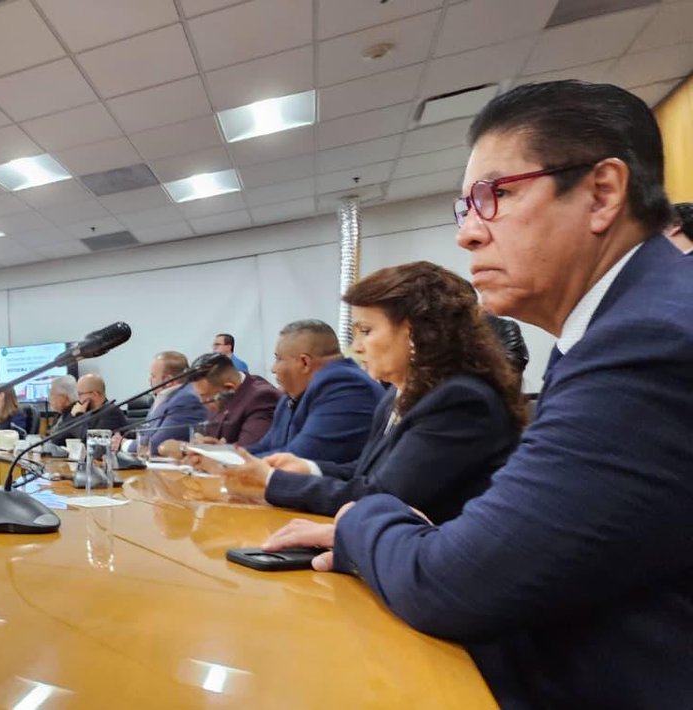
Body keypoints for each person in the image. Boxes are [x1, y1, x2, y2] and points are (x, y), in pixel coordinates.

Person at [263, 81, 693, 709]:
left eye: (494, 196)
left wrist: (362, 522)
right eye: (463, 208)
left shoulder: (648, 339)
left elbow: (456, 582)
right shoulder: (620, 325)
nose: (467, 234)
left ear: (602, 193)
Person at [221, 263, 524, 523]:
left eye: (366, 331)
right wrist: (307, 468)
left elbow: (383, 497)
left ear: (416, 332)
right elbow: (366, 474)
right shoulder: (396, 396)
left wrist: (273, 482)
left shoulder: (459, 401)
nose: (356, 347)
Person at [245, 320, 384, 462]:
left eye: (279, 359)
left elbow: (299, 458)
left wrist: (235, 468)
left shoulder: (347, 387)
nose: (273, 369)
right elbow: (265, 446)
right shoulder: (291, 397)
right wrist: (228, 459)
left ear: (305, 362)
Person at [187, 353, 280, 447]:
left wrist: (218, 449)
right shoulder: (218, 394)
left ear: (229, 388)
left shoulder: (262, 398)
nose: (202, 402)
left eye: (205, 396)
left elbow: (250, 450)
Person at [128, 351, 205, 455]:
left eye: (153, 376)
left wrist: (124, 444)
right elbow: (145, 433)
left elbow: (157, 445)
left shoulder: (186, 399)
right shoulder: (166, 396)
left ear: (167, 380)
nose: (149, 380)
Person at [69, 373, 127, 438]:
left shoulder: (110, 412)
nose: (78, 398)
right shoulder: (91, 412)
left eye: (80, 394)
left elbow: (91, 440)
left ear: (95, 394)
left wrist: (78, 416)